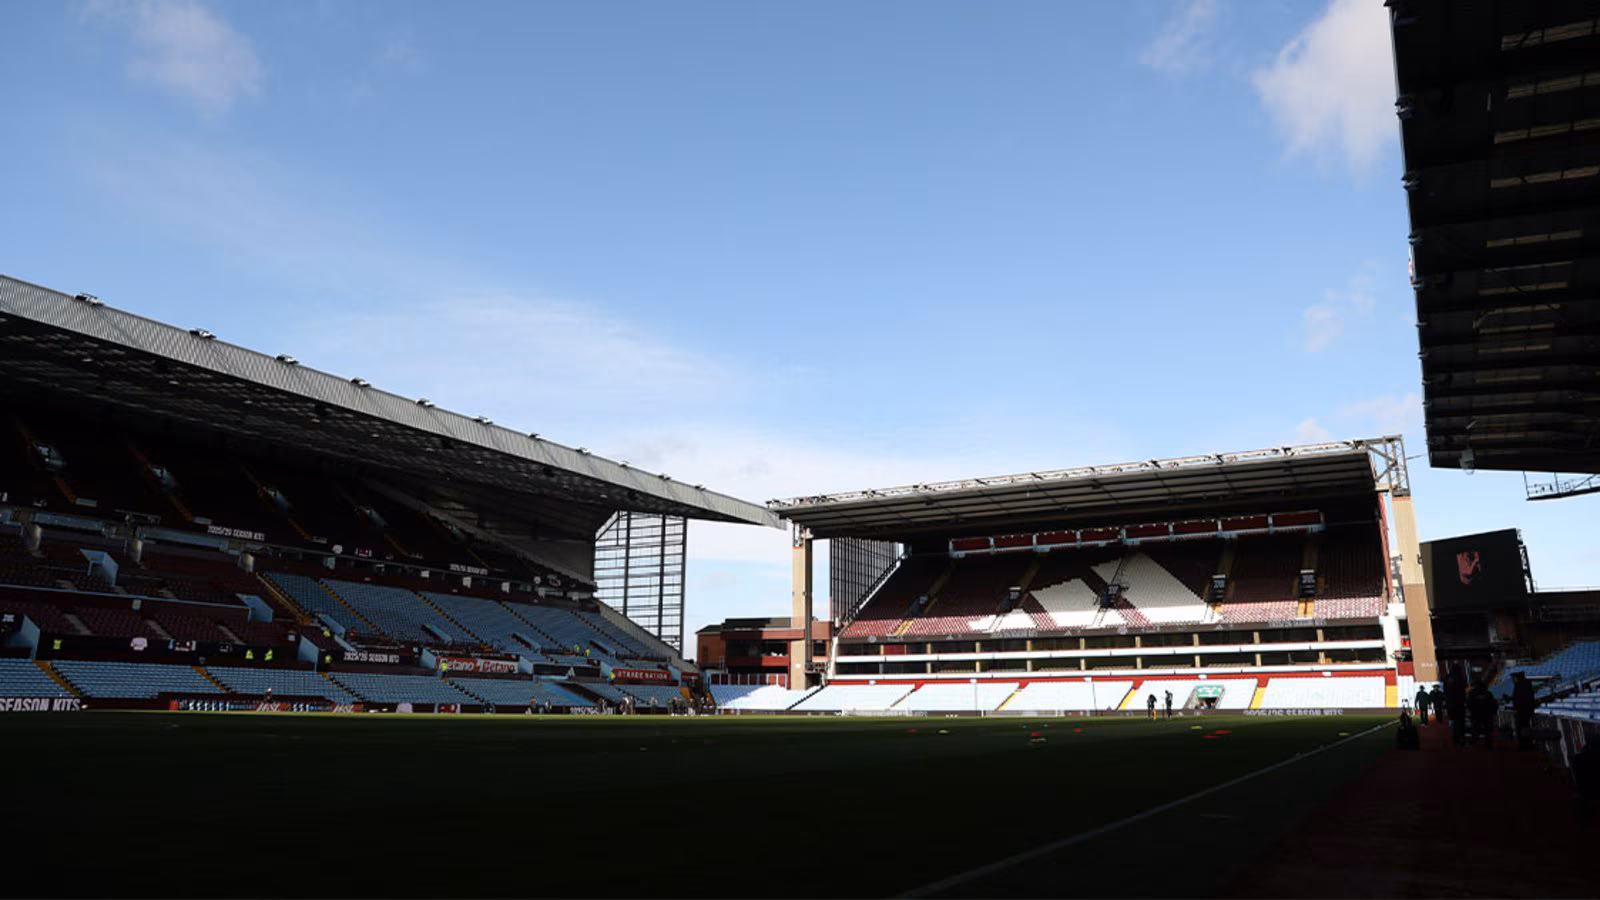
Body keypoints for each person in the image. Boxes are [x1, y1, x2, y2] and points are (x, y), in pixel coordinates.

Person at [1467, 679, 1497, 748]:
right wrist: (1493, 713)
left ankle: (1474, 742)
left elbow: (1469, 703)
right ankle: (1488, 743)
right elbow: (1493, 704)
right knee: (1488, 730)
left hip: (1476, 714)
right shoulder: (1488, 693)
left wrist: (1471, 711)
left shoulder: (1472, 693)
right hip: (1487, 714)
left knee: (1475, 729)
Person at [1511, 672, 1536, 751]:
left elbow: (1522, 698)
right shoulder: (1523, 684)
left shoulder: (1522, 685)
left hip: (1524, 710)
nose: (1513, 679)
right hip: (1523, 710)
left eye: (1514, 677)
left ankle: (1525, 745)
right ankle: (1525, 744)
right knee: (1522, 728)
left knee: (1523, 728)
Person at [1445, 672, 1468, 746]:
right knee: (1460, 723)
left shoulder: (1448, 679)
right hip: (1459, 705)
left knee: (1454, 723)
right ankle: (1461, 740)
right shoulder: (1460, 678)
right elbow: (1465, 688)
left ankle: (1455, 740)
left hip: (1451, 705)